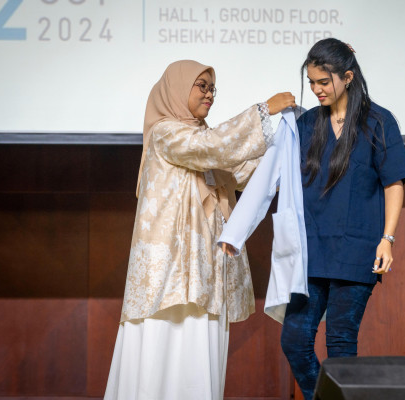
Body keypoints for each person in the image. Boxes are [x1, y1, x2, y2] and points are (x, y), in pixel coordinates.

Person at [104, 59, 296, 400]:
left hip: (205, 269)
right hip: (171, 272)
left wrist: (287, 146)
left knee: (198, 353)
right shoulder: (165, 132)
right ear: (177, 89)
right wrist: (264, 111)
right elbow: (213, 148)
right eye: (201, 85)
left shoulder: (206, 139)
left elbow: (242, 169)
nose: (209, 94)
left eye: (212, 88)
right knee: (162, 350)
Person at [280, 38, 405, 399]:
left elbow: (394, 183)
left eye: (324, 82)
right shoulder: (306, 124)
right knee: (294, 340)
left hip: (356, 250)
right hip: (311, 251)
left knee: (340, 343)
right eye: (311, 82)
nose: (316, 90)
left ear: (348, 76)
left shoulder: (379, 122)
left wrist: (388, 239)